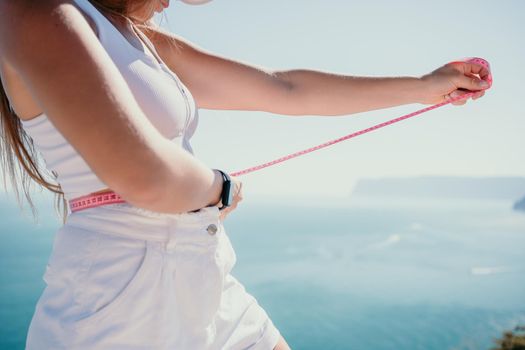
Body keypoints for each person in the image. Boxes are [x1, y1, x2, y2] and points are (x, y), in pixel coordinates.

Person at [0, 0, 490, 349]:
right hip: (120, 304)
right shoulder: (36, 10)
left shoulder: (135, 36)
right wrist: (220, 186)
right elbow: (145, 177)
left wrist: (425, 87)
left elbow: (286, 88)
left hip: (204, 274)